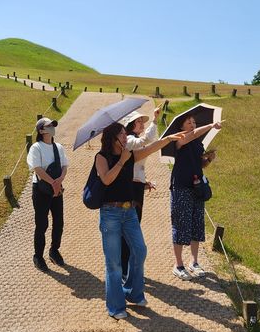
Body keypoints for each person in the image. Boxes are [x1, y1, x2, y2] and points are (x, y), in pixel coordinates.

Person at [95, 121, 183, 319]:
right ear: (113, 138)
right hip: (110, 213)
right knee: (114, 263)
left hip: (130, 212)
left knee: (140, 250)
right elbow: (107, 179)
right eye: (122, 135)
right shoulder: (101, 157)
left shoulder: (131, 155)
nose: (126, 137)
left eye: (126, 134)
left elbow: (150, 149)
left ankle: (133, 293)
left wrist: (168, 139)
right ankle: (116, 307)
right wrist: (121, 161)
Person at [170, 115, 221, 280]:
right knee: (180, 224)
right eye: (188, 122)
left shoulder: (198, 143)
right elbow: (189, 136)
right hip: (181, 187)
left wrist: (208, 159)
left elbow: (199, 164)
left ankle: (194, 262)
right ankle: (178, 265)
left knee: (197, 223)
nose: (192, 125)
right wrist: (211, 125)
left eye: (194, 122)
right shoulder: (179, 140)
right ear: (181, 127)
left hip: (197, 187)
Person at [119, 107, 161, 279]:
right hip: (128, 190)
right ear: (130, 124)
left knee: (134, 228)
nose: (141, 123)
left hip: (136, 188)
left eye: (142, 121)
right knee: (129, 229)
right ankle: (123, 270)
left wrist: (145, 182)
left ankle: (129, 267)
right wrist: (155, 120)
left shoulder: (135, 139)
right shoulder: (129, 140)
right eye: (138, 121)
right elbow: (147, 140)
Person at [27, 117, 69, 272]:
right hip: (41, 190)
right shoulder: (36, 148)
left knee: (59, 222)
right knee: (42, 223)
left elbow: (65, 166)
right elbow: (37, 169)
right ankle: (38, 256)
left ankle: (54, 250)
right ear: (41, 131)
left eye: (53, 125)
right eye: (49, 126)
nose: (52, 128)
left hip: (57, 188)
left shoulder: (58, 147)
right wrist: (54, 182)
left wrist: (60, 179)